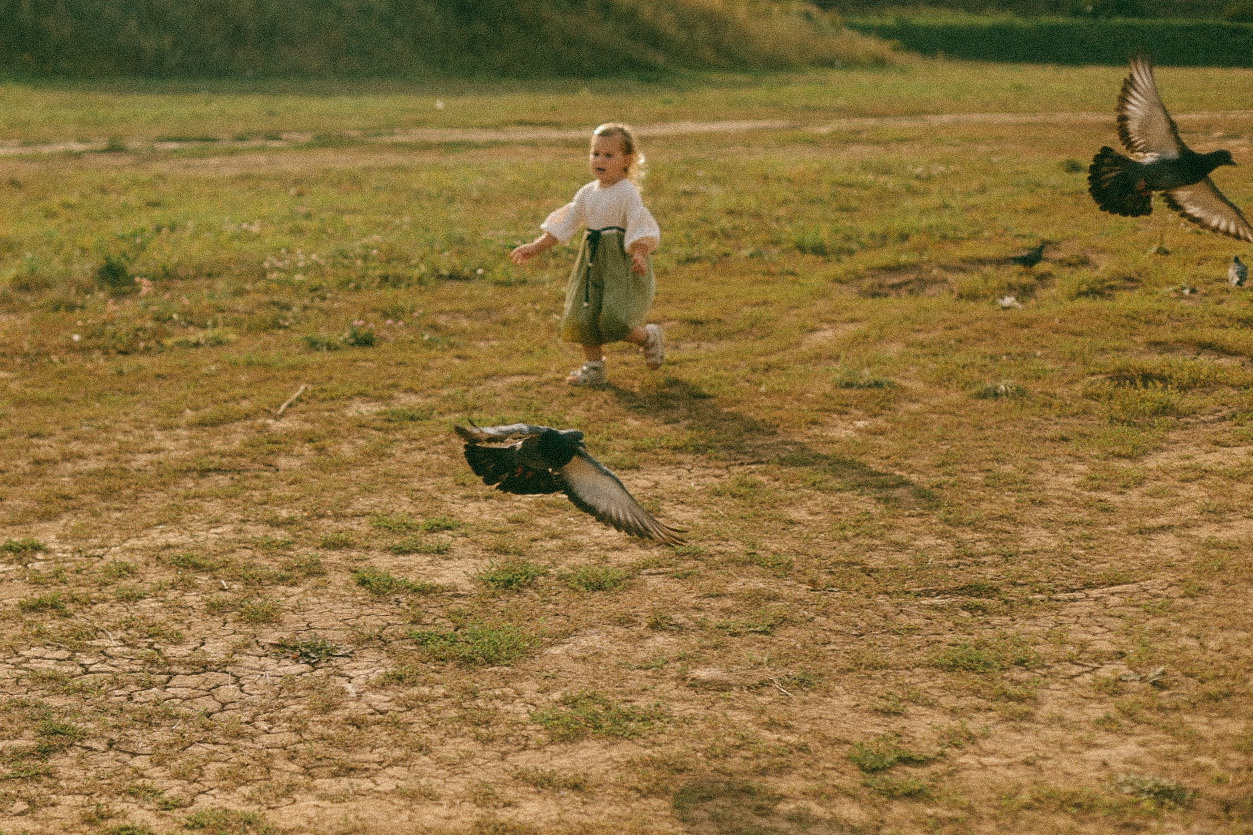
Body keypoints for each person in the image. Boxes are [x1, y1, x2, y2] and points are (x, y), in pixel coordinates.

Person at [510, 122, 665, 386]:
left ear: (626, 160)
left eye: (608, 155)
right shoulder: (586, 193)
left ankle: (647, 336)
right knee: (584, 314)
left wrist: (639, 252)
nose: (599, 160)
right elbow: (565, 224)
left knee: (615, 319)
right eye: (595, 153)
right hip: (592, 263)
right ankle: (594, 366)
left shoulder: (627, 193)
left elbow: (640, 224)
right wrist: (536, 246)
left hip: (619, 263)